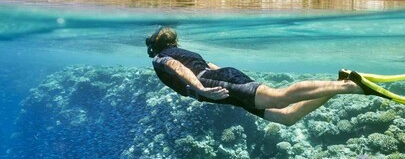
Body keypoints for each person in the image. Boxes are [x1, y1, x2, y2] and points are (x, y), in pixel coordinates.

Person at [146, 26, 366, 126]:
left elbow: (178, 68)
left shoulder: (160, 58)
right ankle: (340, 83)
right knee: (287, 117)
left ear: (156, 46)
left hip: (213, 84)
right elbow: (211, 65)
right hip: (222, 84)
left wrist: (202, 89)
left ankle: (350, 86)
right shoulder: (180, 51)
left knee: (279, 98)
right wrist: (234, 81)